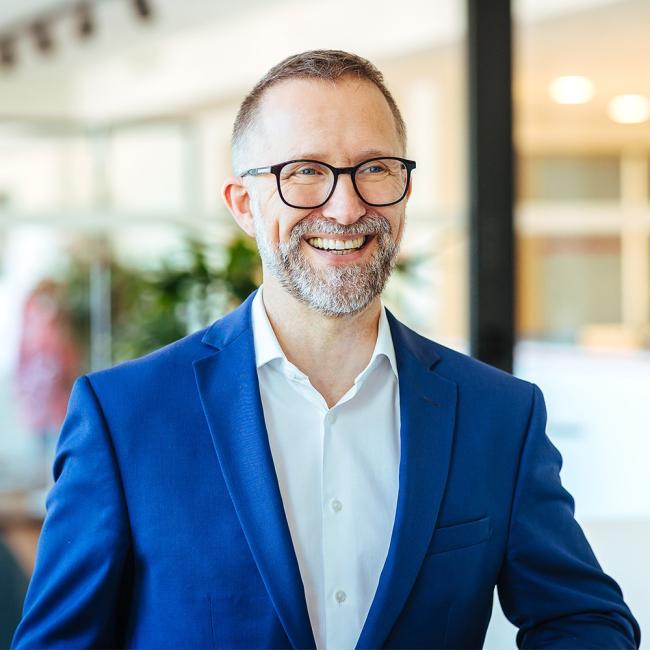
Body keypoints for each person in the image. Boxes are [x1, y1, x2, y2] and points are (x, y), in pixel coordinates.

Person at [12, 50, 639, 650]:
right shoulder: (124, 417)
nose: (345, 207)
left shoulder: (498, 415)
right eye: (305, 171)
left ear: (404, 188)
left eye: (375, 168)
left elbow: (584, 620)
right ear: (244, 205)